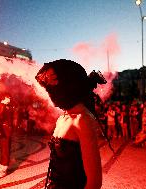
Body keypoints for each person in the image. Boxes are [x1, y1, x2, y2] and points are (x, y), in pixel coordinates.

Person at [35, 59, 102, 189]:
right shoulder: (62, 118)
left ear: (68, 86)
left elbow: (94, 183)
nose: (50, 92)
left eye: (54, 86)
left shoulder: (83, 120)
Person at [0, 93, 17, 178]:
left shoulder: (7, 106)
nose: (10, 99)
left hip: (6, 131)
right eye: (9, 98)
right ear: (5, 98)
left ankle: (2, 166)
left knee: (5, 149)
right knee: (5, 149)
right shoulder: (0, 106)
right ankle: (3, 169)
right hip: (3, 131)